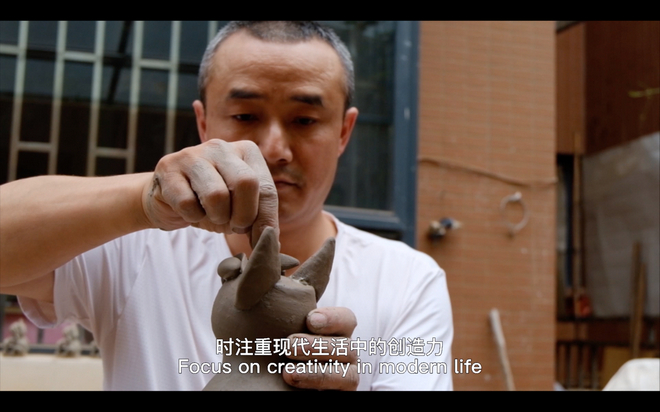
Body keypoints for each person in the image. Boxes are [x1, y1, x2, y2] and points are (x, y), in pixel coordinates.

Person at [0, 21, 453, 390]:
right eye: (245, 116)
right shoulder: (136, 247)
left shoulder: (409, 280)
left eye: (305, 120)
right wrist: (143, 200)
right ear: (203, 123)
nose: (274, 148)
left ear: (343, 132)